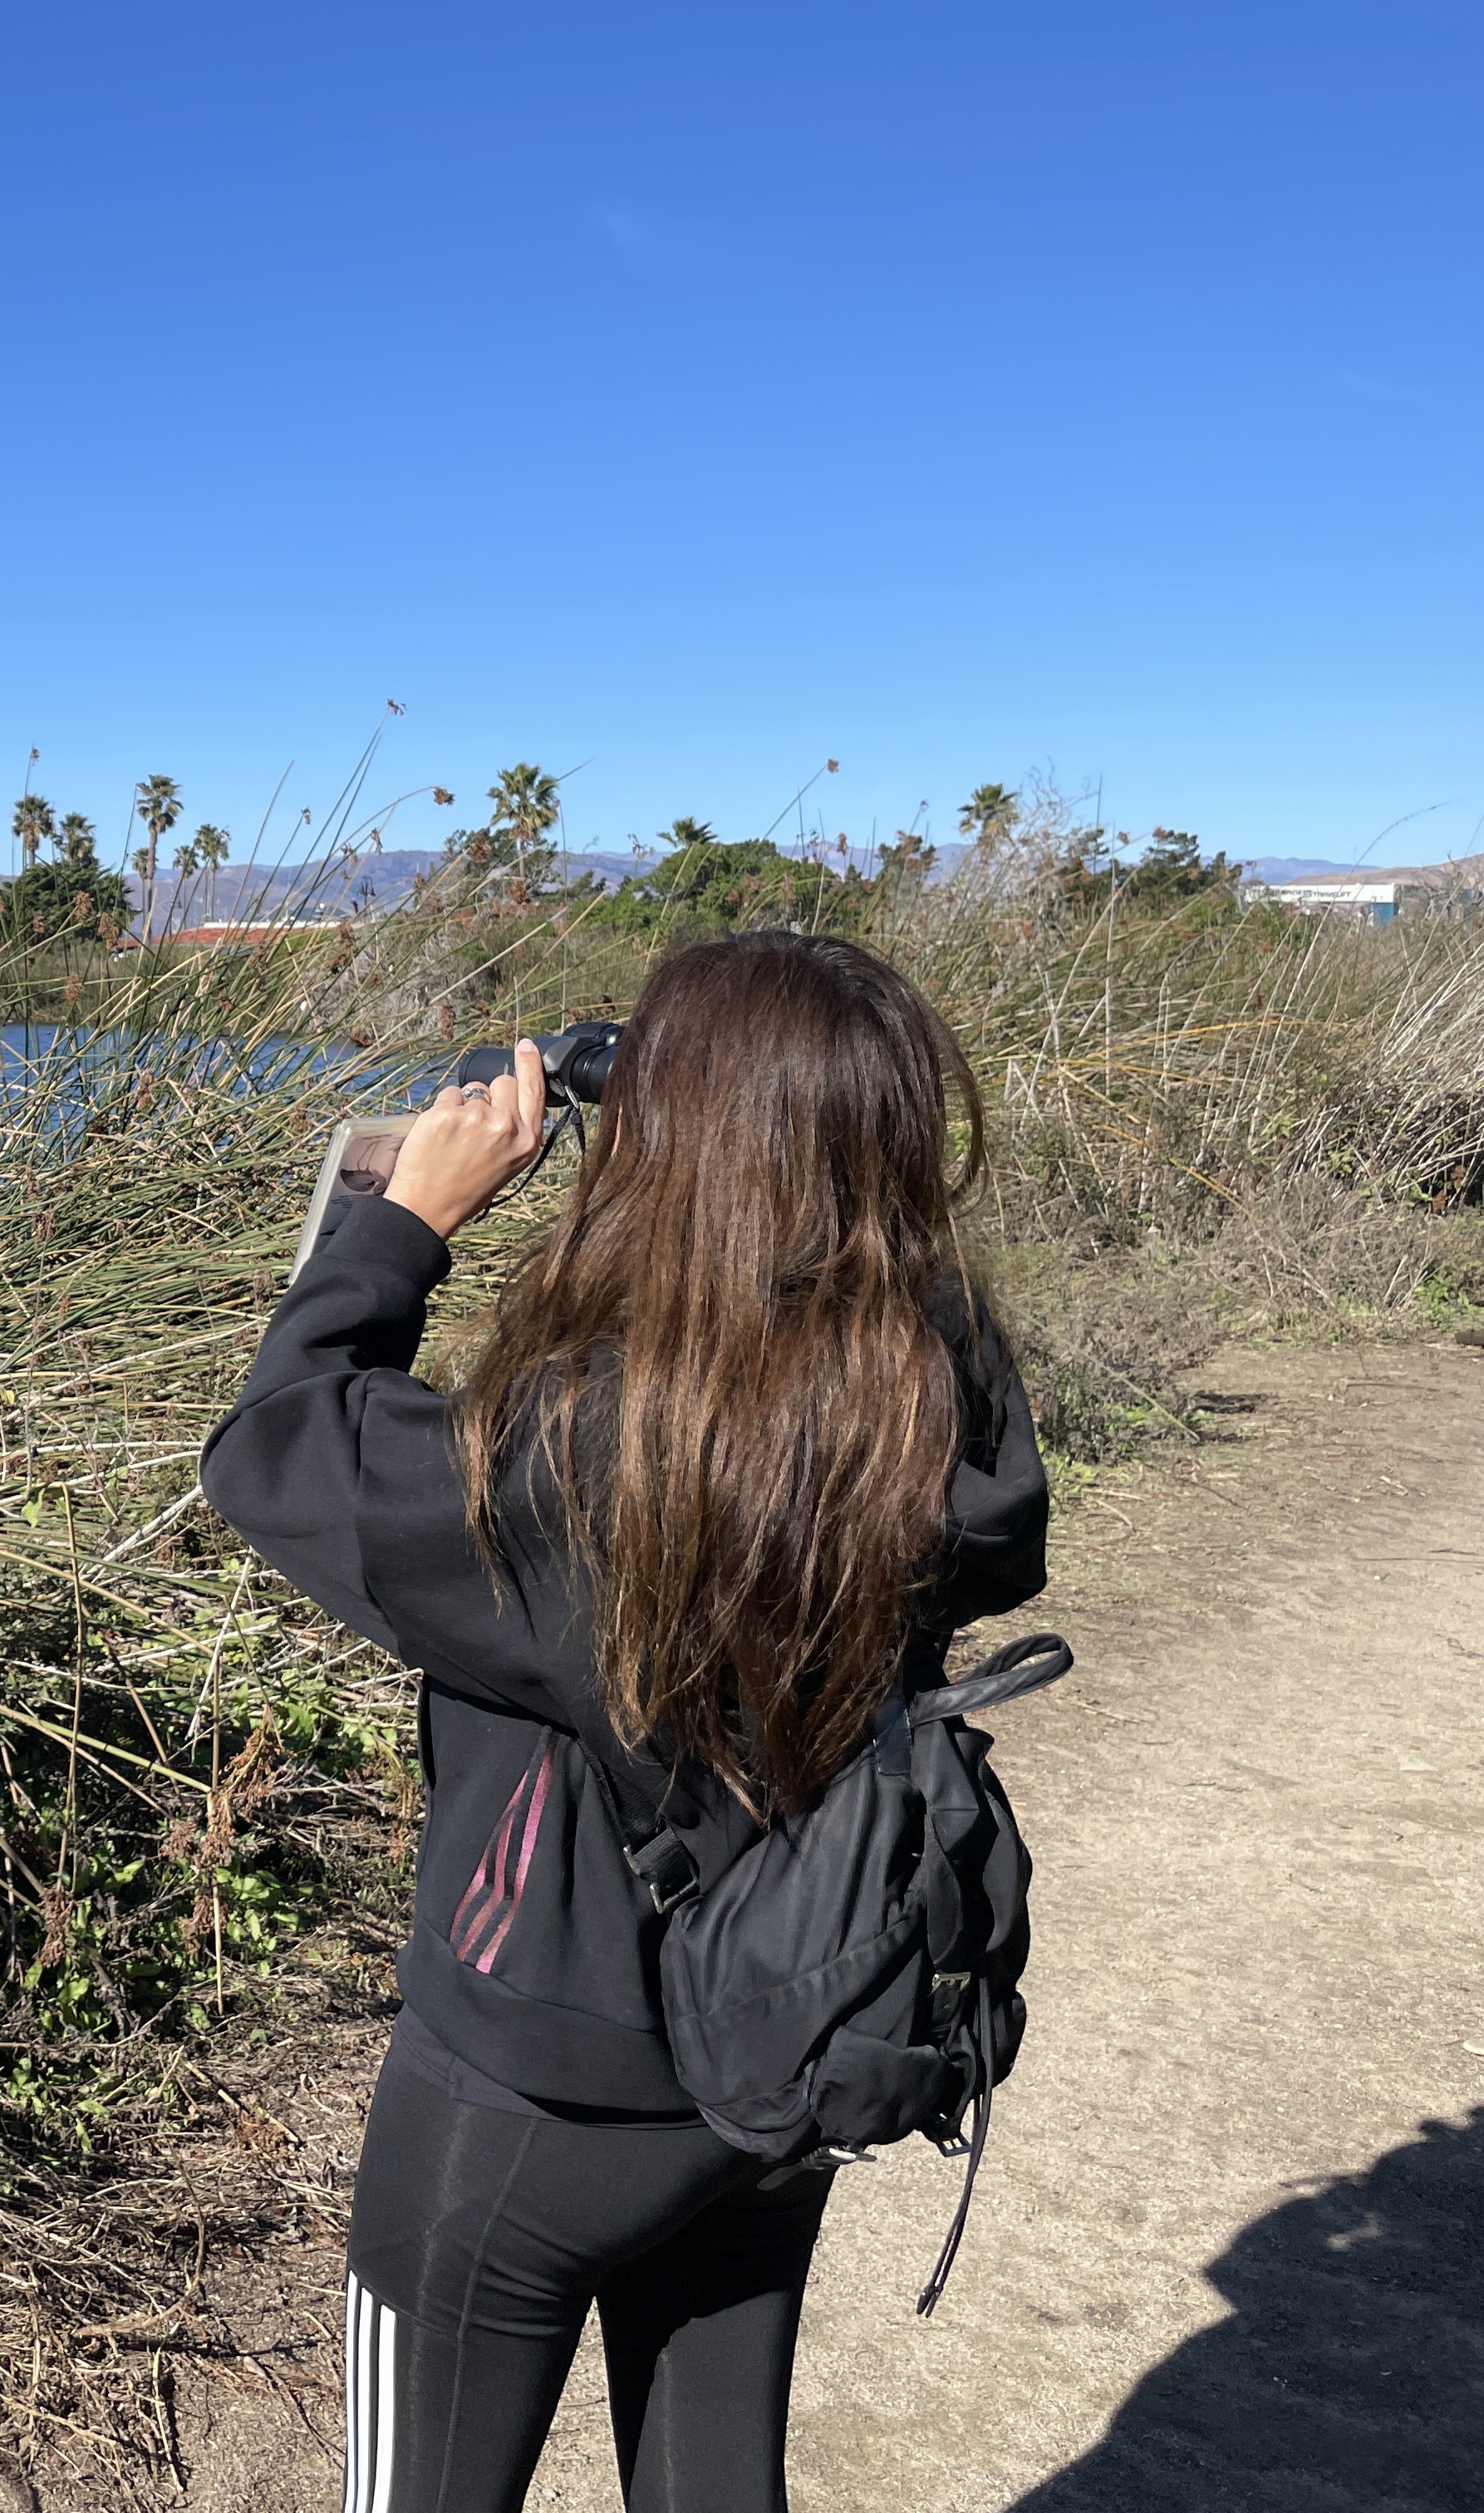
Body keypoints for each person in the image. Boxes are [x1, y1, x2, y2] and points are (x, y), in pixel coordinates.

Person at [200, 932, 1049, 2513]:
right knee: (715, 2481)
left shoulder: (574, 1460)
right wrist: (859, 1211)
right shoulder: (923, 1422)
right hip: (783, 2032)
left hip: (529, 2094)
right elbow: (1006, 1517)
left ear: (663, 1142)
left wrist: (400, 1224)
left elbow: (276, 1447)